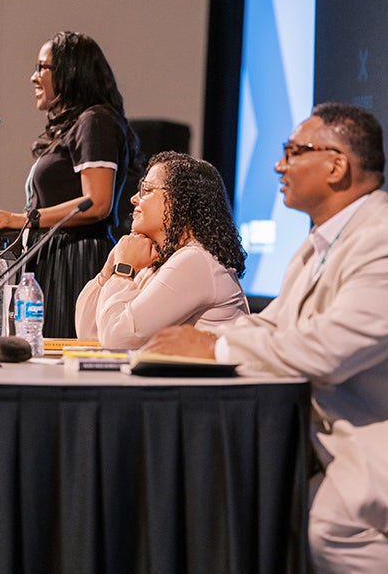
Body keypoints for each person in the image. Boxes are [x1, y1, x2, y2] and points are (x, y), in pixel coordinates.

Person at [142, 104, 388, 572]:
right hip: (316, 440)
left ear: (337, 165)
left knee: (327, 526)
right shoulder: (324, 240)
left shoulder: (380, 238)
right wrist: (196, 342)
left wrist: (216, 347)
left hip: (368, 443)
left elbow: (328, 348)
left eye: (294, 152)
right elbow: (276, 322)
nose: (279, 164)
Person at [0, 31, 143, 338]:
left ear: (71, 72)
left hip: (76, 259)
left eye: (42, 68)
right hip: (54, 255)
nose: (33, 77)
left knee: (61, 357)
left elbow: (98, 203)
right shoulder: (77, 126)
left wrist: (24, 219)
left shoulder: (96, 121)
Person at [75, 150, 249, 349]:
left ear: (179, 201)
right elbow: (89, 334)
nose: (133, 199)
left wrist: (123, 270)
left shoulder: (196, 260)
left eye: (146, 190)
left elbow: (118, 340)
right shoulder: (157, 260)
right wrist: (109, 270)